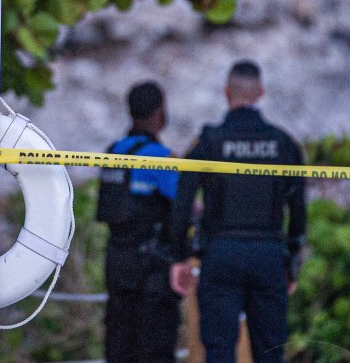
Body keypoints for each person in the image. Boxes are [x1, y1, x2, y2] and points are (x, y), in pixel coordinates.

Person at [168, 60, 307, 363]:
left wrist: (178, 256)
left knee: (219, 350)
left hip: (221, 254)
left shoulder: (208, 142)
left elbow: (182, 203)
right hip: (269, 254)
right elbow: (298, 208)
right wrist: (292, 259)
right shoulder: (284, 144)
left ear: (226, 91)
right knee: (270, 350)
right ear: (261, 92)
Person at [97, 81, 181, 363]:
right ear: (161, 114)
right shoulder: (160, 157)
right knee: (154, 349)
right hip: (152, 271)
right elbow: (184, 206)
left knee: (119, 347)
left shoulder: (113, 151)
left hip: (117, 266)